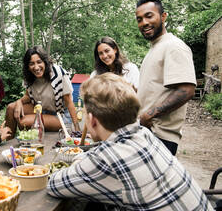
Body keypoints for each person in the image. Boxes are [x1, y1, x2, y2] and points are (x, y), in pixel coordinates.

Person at [47, 73, 213, 211]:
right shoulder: (144, 134)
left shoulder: (107, 159)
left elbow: (53, 184)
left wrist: (78, 160)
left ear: (92, 120)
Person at [135, 0, 196, 155]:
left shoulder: (174, 46)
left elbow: (186, 90)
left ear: (163, 16)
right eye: (139, 19)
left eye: (149, 16)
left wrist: (149, 114)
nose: (144, 23)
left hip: (160, 137)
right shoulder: (155, 49)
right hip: (146, 133)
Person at [5, 46, 80, 135]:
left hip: (59, 115)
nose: (36, 67)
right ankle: (8, 142)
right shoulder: (30, 76)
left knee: (24, 122)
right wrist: (19, 102)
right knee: (11, 108)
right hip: (40, 109)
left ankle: (28, 138)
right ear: (28, 66)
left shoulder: (58, 73)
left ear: (45, 62)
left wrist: (76, 127)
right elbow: (28, 96)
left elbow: (68, 101)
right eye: (31, 64)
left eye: (39, 62)